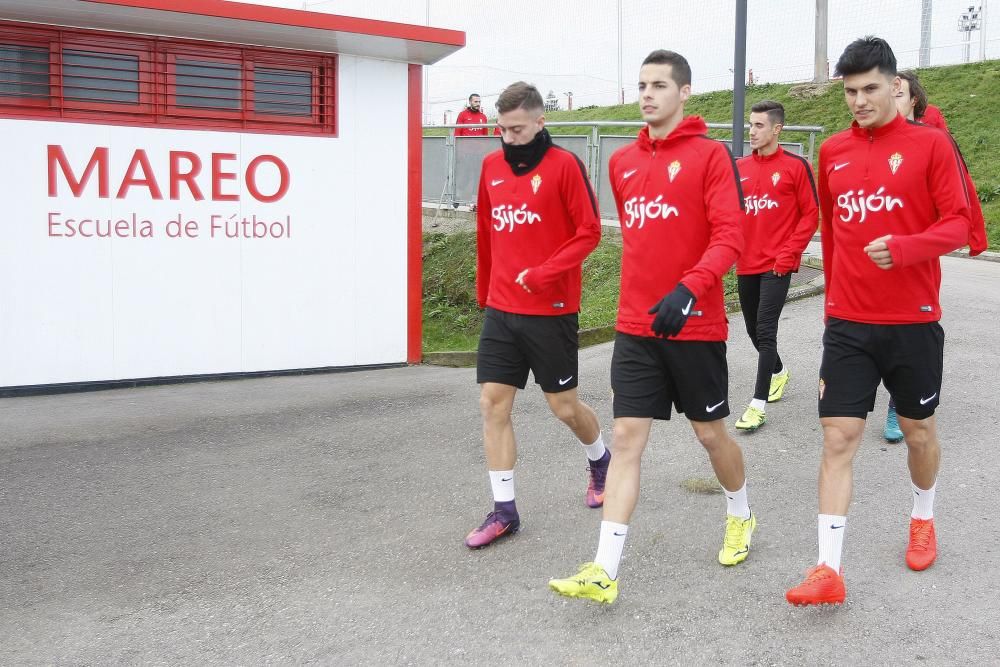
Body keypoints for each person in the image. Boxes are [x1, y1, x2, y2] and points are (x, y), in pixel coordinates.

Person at [548, 50, 751, 605]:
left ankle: (741, 512)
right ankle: (603, 569)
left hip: (696, 327)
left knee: (711, 436)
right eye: (641, 84)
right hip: (636, 329)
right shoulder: (622, 163)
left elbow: (729, 237)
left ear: (684, 92)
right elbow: (640, 242)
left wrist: (689, 289)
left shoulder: (711, 156)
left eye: (659, 84)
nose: (647, 94)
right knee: (626, 440)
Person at [785, 37, 973, 607]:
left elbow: (960, 226)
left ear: (895, 86)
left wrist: (910, 247)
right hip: (848, 323)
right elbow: (837, 236)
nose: (859, 101)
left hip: (913, 321)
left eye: (870, 89)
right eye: (850, 91)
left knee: (918, 431)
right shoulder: (834, 151)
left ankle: (922, 515)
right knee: (839, 437)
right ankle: (827, 568)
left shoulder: (930, 146)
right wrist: (831, 310)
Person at [465, 81, 608, 549]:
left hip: (551, 309)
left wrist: (547, 272)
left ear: (540, 122)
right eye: (502, 130)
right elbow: (486, 230)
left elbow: (589, 232)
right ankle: (504, 511)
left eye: (518, 129)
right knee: (492, 404)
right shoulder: (490, 166)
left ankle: (599, 458)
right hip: (502, 308)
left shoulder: (565, 166)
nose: (508, 138)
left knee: (562, 406)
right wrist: (485, 290)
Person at [879, 70, 989, 443]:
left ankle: (899, 402)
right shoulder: (862, 144)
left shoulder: (933, 143)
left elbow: (961, 195)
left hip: (917, 262)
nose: (889, 99)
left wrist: (967, 234)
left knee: (906, 334)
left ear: (914, 102)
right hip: (870, 260)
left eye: (898, 93)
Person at [733, 100, 819, 432]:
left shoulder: (796, 167)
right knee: (754, 329)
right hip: (746, 262)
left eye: (758, 125)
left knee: (766, 330)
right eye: (750, 125)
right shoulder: (739, 167)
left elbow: (810, 214)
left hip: (777, 264)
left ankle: (757, 405)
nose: (751, 131)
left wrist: (789, 255)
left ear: (776, 129)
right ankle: (779, 372)